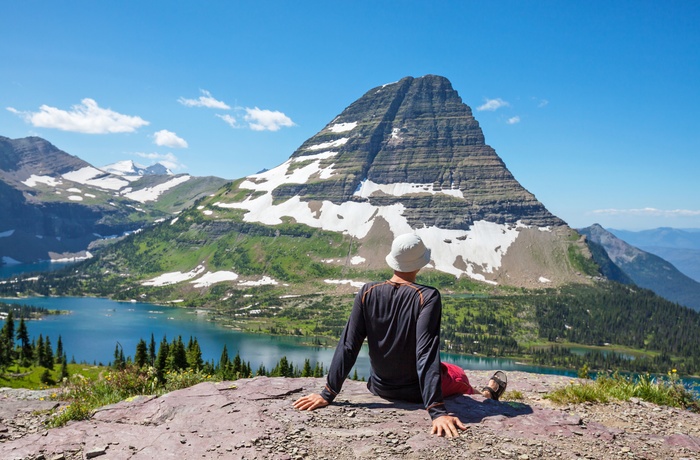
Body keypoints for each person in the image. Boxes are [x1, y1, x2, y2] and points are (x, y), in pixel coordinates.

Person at [293, 233, 508, 437]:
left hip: (379, 388)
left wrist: (327, 394)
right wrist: (436, 411)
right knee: (458, 374)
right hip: (417, 394)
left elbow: (349, 345)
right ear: (419, 263)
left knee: (449, 371)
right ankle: (487, 395)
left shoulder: (367, 291)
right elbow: (426, 353)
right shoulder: (427, 296)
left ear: (393, 260)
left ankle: (485, 393)